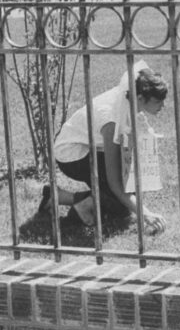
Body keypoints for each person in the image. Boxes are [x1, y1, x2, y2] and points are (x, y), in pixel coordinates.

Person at [33, 62, 168, 235]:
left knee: (127, 193)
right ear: (141, 98)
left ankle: (58, 196)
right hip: (72, 155)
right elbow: (114, 182)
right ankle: (75, 205)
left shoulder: (130, 96)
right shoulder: (111, 120)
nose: (162, 106)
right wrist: (145, 213)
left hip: (91, 147)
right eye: (158, 101)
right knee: (120, 199)